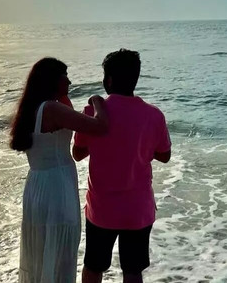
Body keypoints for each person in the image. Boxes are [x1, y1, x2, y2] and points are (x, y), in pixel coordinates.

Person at [73, 49, 172, 283]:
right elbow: (165, 155)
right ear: (135, 78)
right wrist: (140, 148)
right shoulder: (154, 115)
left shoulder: (92, 113)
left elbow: (77, 153)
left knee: (93, 267)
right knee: (133, 271)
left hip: (102, 209)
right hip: (137, 210)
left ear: (108, 80)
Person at [10, 57, 109, 283]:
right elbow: (100, 127)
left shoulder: (34, 108)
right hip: (57, 186)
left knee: (42, 252)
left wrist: (62, 94)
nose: (70, 81)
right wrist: (98, 102)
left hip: (37, 185)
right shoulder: (52, 109)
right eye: (66, 77)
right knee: (60, 253)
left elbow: (68, 115)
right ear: (53, 80)